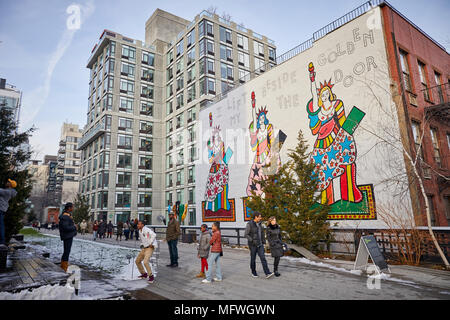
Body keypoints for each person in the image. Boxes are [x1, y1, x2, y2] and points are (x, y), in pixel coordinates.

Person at [245, 212, 274, 279]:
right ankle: (253, 272)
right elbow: (246, 234)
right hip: (253, 245)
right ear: (256, 217)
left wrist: (264, 242)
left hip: (260, 244)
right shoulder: (249, 224)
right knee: (253, 259)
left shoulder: (260, 224)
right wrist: (252, 240)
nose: (261, 218)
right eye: (259, 217)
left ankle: (267, 273)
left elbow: (262, 234)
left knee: (263, 258)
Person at [58, 202, 77, 272]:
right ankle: (64, 267)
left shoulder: (67, 215)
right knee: (66, 251)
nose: (73, 208)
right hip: (67, 236)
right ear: (69, 208)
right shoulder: (65, 216)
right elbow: (65, 227)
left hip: (68, 236)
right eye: (72, 207)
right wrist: (74, 227)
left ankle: (64, 265)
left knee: (66, 251)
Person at [0, 179, 18, 245]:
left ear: (10, 185)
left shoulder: (7, 192)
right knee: (1, 225)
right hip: (2, 209)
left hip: (0, 209)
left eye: (8, 182)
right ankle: (2, 241)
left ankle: (2, 241)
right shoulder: (8, 191)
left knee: (1, 225)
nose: (6, 182)